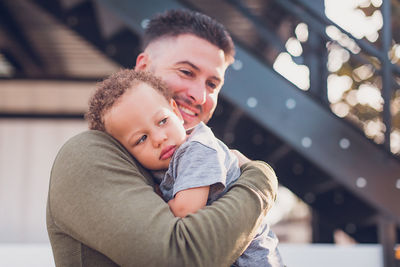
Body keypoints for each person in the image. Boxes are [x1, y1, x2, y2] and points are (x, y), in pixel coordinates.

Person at [47, 9, 279, 267]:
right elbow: (178, 257)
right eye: (186, 72)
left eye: (212, 84)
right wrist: (260, 179)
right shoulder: (88, 153)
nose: (200, 96)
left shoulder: (191, 152)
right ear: (144, 67)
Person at [86, 69, 284, 266]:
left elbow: (184, 211)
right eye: (141, 139)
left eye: (162, 121)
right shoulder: (158, 166)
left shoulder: (198, 150)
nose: (159, 138)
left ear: (175, 111)